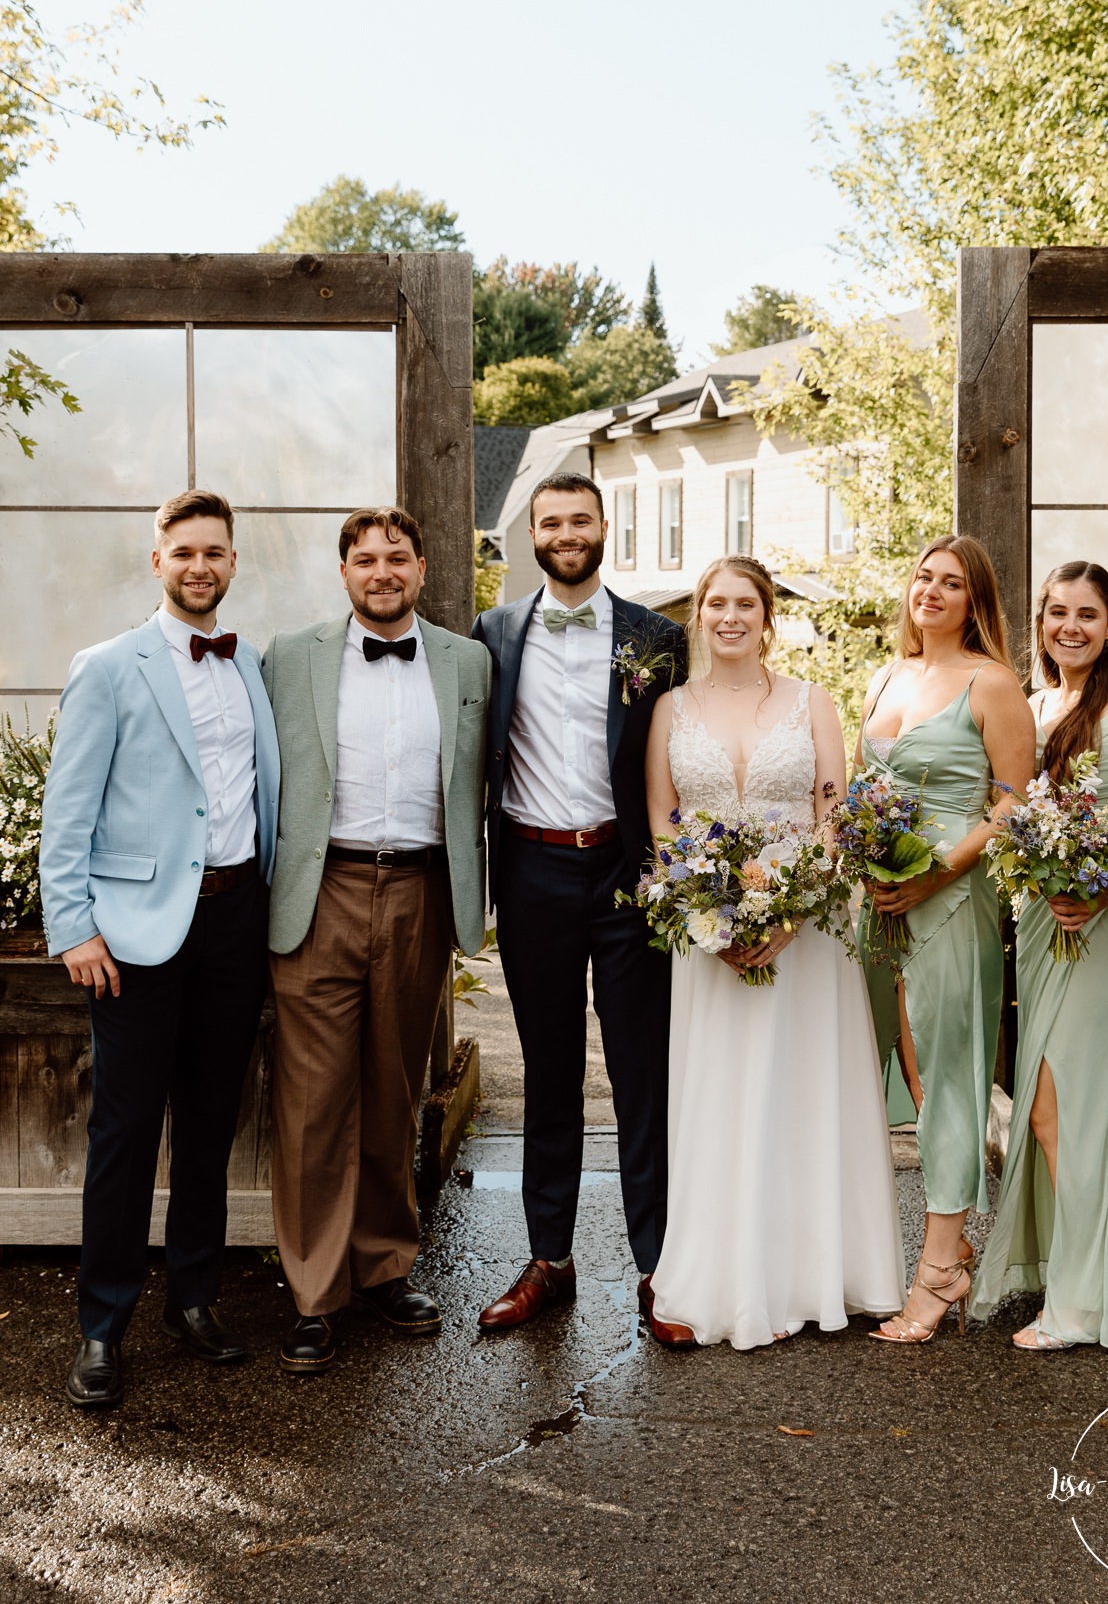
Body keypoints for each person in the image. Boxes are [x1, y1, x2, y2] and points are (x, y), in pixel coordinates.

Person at [39, 490, 280, 1409]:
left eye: (215, 552)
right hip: (133, 937)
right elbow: (68, 810)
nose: (200, 566)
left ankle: (196, 1299)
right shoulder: (108, 667)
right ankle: (102, 1325)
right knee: (126, 1131)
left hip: (232, 924)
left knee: (213, 1123)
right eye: (184, 552)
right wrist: (75, 927)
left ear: (231, 561)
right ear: (157, 561)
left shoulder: (249, 662)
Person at [645, 558, 905, 1349]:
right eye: (715, 604)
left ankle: (820, 1271)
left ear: (768, 617)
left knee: (802, 1088)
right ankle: (716, 1276)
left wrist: (792, 910)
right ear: (698, 615)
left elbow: (833, 813)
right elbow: (662, 820)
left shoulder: (810, 701)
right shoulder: (668, 709)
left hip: (805, 932)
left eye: (745, 604)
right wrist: (706, 914)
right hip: (709, 939)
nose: (730, 617)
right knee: (720, 1092)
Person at [263, 507, 489, 1375]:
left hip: (421, 893)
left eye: (397, 557)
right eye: (365, 559)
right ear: (345, 572)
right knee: (314, 1100)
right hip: (320, 892)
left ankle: (387, 1265)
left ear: (423, 569)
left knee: (395, 1084)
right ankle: (315, 1294)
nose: (382, 571)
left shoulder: (468, 662)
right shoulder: (291, 658)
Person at [472, 474, 691, 1344]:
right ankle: (547, 1260)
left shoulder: (656, 638)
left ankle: (658, 1267)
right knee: (548, 1071)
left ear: (605, 527)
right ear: (530, 534)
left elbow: (680, 755)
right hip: (532, 871)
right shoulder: (491, 635)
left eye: (580, 520)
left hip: (627, 872)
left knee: (642, 1073)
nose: (565, 533)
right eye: (550, 522)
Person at [970, 562, 1108, 1350]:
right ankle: (1091, 1281)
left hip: (1099, 931)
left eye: (1087, 615)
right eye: (1056, 613)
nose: (1070, 628)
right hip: (1038, 925)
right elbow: (1008, 811)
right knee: (1048, 1113)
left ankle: (1082, 1305)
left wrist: (1101, 882)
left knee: (1066, 1113)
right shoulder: (1031, 706)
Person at [857, 534, 1034, 1345]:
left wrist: (936, 873)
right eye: (923, 577)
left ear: (975, 601)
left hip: (950, 898)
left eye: (951, 583)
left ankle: (937, 1272)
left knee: (949, 1077)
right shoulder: (887, 674)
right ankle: (948, 1239)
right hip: (880, 901)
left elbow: (1010, 805)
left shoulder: (990, 683)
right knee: (906, 1079)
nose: (930, 591)